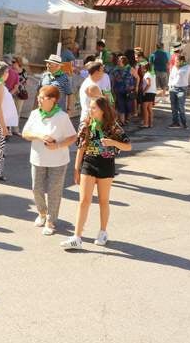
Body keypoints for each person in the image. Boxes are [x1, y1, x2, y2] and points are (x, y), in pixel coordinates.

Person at [61, 97, 131, 250]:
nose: (90, 111)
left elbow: (128, 146)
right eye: (90, 108)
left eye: (94, 108)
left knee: (103, 201)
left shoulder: (113, 127)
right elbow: (81, 147)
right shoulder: (85, 125)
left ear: (102, 110)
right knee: (84, 201)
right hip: (89, 163)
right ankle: (77, 237)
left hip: (106, 165)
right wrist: (76, 168)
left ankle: (103, 232)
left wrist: (113, 142)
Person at [21, 85, 77, 236]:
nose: (38, 100)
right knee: (36, 189)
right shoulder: (34, 114)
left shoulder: (62, 116)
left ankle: (51, 221)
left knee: (54, 191)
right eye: (38, 97)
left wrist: (58, 145)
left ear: (53, 100)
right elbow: (25, 133)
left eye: (42, 97)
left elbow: (73, 137)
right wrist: (40, 136)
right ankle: (42, 213)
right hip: (37, 158)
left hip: (58, 160)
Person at [111, 55, 136, 125]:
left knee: (128, 105)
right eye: (118, 60)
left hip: (128, 90)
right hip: (118, 89)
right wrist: (112, 87)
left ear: (123, 62)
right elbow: (114, 80)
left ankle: (126, 118)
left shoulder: (130, 69)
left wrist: (135, 87)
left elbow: (137, 77)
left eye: (119, 61)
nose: (118, 62)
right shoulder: (115, 69)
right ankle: (122, 121)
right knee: (120, 105)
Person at [168, 55, 190, 129]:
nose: (175, 62)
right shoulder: (174, 67)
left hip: (181, 89)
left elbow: (182, 74)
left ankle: (184, 123)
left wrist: (177, 67)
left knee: (181, 107)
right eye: (175, 61)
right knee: (173, 107)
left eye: (177, 61)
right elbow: (171, 77)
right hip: (173, 88)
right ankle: (175, 123)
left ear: (182, 61)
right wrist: (169, 86)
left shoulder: (187, 67)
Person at [10, 56, 29, 135]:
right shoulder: (10, 71)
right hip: (11, 92)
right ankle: (9, 129)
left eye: (14, 62)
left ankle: (15, 129)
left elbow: (26, 81)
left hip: (20, 94)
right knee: (10, 111)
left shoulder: (24, 71)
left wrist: (21, 86)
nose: (12, 63)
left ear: (18, 62)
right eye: (12, 62)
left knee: (18, 111)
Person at [141, 62, 156, 128]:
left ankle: (146, 123)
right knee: (150, 108)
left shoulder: (147, 74)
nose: (141, 68)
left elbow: (148, 84)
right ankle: (151, 123)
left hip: (148, 93)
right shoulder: (152, 74)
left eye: (142, 67)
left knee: (145, 109)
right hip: (152, 92)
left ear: (145, 68)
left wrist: (144, 91)